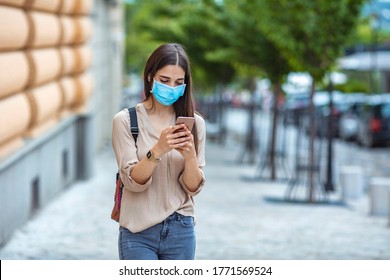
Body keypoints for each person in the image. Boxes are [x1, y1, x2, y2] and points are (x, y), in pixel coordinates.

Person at [111, 43, 206, 260]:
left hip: (180, 229)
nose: (171, 88)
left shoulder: (196, 124)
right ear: (150, 77)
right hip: (138, 231)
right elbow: (132, 181)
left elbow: (193, 188)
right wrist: (158, 150)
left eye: (178, 83)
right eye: (164, 81)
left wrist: (190, 157)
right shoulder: (126, 121)